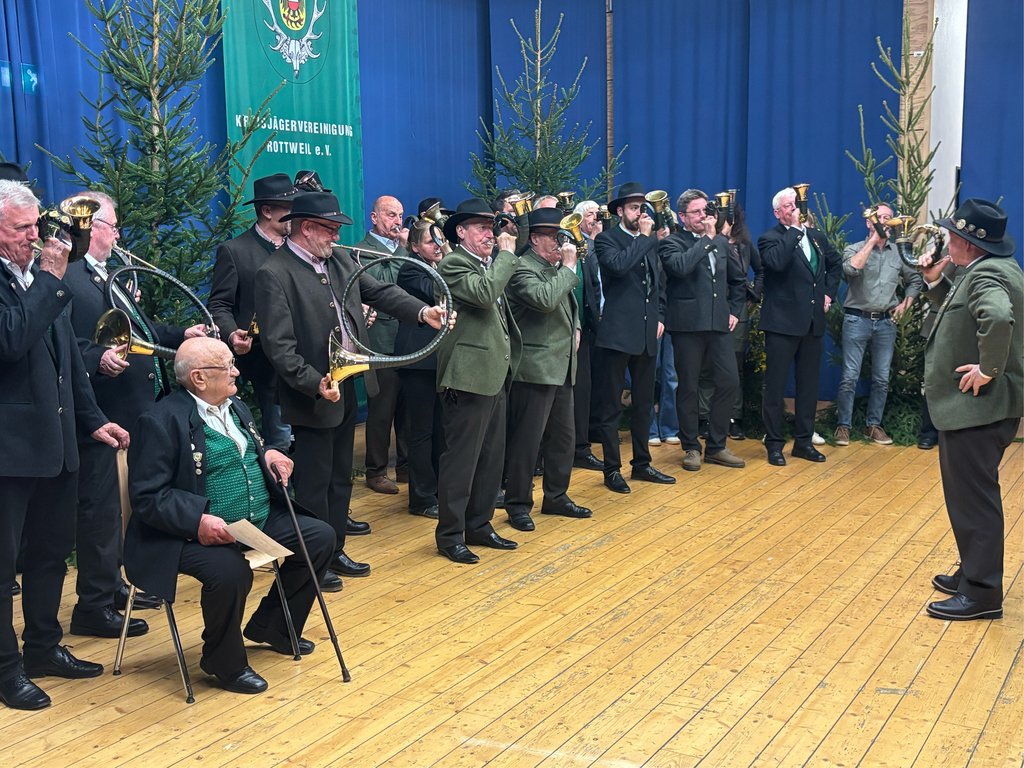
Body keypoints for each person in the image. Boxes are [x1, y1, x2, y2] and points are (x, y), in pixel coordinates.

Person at [254, 192, 447, 586]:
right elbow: (279, 346)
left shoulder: (339, 259)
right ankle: (311, 563)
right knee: (314, 482)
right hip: (313, 394)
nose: (336, 236)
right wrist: (314, 381)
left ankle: (334, 548)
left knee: (340, 476)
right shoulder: (274, 273)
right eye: (330, 229)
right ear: (307, 228)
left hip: (347, 384)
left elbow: (379, 292)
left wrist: (422, 311)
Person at [125, 337, 336, 693]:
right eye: (227, 366)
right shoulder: (160, 421)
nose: (236, 372)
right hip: (189, 532)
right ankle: (222, 661)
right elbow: (148, 497)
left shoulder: (234, 405)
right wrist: (197, 520)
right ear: (199, 378)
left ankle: (273, 627)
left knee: (319, 538)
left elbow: (249, 450)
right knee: (229, 570)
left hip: (254, 519)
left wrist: (270, 454)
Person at [0, 179, 129, 710]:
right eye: (20, 228)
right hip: (10, 451)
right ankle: (6, 669)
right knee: (4, 566)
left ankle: (43, 647)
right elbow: (11, 340)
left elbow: (67, 360)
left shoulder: (35, 275)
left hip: (55, 441)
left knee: (51, 552)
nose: (35, 237)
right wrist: (51, 280)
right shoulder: (41, 279)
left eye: (35, 225)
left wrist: (92, 419)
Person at [64, 190, 208, 638]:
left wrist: (182, 333)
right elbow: (62, 344)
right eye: (112, 226)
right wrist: (96, 359)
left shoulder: (109, 275)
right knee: (100, 513)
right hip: (101, 412)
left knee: (122, 510)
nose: (118, 234)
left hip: (133, 410)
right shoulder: (68, 275)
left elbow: (142, 332)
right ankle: (93, 605)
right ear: (90, 228)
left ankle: (114, 586)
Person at [917, 199, 1022, 621]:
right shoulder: (982, 270)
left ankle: (981, 594)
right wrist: (934, 283)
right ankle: (973, 573)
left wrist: (988, 369)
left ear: (968, 243)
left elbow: (997, 317)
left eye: (951, 236)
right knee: (968, 496)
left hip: (978, 407)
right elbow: (961, 313)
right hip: (973, 408)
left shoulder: (987, 274)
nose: (947, 242)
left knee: (974, 500)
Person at [434, 198, 522, 564]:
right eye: (482, 228)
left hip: (493, 374)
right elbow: (485, 296)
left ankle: (479, 524)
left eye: (492, 227)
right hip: (467, 377)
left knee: (490, 458)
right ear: (461, 232)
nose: (491, 234)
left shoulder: (485, 265)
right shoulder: (454, 263)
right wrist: (506, 255)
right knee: (462, 461)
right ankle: (450, 535)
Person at [503, 207, 591, 532]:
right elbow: (544, 300)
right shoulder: (521, 269)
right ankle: (517, 504)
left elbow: (568, 303)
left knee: (564, 438)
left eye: (562, 236)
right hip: (535, 368)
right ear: (536, 239)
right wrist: (568, 267)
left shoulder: (552, 268)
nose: (561, 243)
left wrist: (576, 327)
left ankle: (556, 495)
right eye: (554, 237)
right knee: (527, 441)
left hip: (562, 365)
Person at [592, 182, 676, 494]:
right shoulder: (606, 239)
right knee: (611, 406)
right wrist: (644, 237)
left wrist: (660, 315)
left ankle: (642, 463)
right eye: (633, 207)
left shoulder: (648, 241)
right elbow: (618, 266)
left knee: (643, 404)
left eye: (642, 207)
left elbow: (659, 281)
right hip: (617, 334)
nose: (639, 212)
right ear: (619, 211)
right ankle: (612, 469)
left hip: (646, 332)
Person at [208, 173, 300, 451]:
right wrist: (231, 333)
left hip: (305, 358)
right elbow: (219, 305)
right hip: (265, 363)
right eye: (288, 209)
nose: (295, 215)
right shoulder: (235, 250)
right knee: (280, 440)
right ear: (267, 211)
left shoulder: (299, 248)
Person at [659, 189, 747, 472]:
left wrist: (734, 311)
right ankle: (691, 447)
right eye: (696, 212)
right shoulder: (672, 242)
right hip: (687, 326)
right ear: (682, 217)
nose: (702, 216)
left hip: (718, 324)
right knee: (688, 386)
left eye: (705, 211)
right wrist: (709, 239)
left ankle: (717, 445)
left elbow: (738, 280)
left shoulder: (721, 243)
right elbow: (680, 267)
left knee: (729, 381)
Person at [757, 187, 841, 466]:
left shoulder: (816, 237)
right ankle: (774, 443)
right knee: (776, 386)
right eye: (789, 205)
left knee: (808, 386)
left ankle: (803, 442)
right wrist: (794, 231)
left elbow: (835, 264)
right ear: (777, 212)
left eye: (797, 203)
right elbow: (776, 264)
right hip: (781, 324)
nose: (795, 208)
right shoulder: (770, 238)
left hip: (812, 322)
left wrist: (829, 294)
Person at [834, 204, 923, 446]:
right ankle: (843, 426)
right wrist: (873, 241)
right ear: (869, 222)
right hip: (856, 319)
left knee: (882, 378)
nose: (884, 222)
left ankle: (873, 425)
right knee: (850, 376)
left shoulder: (899, 253)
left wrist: (905, 304)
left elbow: (915, 280)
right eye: (879, 218)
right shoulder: (854, 248)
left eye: (888, 218)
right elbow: (851, 269)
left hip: (885, 322)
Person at [351, 195, 409, 495]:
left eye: (400, 215)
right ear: (374, 218)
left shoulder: (403, 248)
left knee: (408, 408)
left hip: (407, 338)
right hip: (381, 342)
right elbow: (387, 283)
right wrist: (404, 250)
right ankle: (375, 470)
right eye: (390, 215)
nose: (397, 221)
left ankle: (406, 466)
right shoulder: (361, 251)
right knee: (382, 409)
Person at [697, 202, 763, 439]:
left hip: (736, 309)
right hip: (710, 307)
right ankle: (704, 417)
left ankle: (734, 417)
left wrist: (753, 295)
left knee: (734, 366)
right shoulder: (708, 239)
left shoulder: (744, 244)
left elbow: (761, 270)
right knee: (706, 366)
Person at [395, 221, 445, 519]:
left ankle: (438, 489)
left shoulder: (435, 265)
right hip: (419, 362)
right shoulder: (410, 269)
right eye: (430, 241)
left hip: (437, 360)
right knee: (421, 432)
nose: (437, 246)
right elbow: (437, 292)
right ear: (414, 247)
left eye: (440, 240)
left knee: (440, 429)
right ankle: (421, 498)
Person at [570, 200, 604, 471]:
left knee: (583, 390)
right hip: (556, 333)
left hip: (584, 329)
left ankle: (581, 448)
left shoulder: (585, 247)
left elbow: (592, 285)